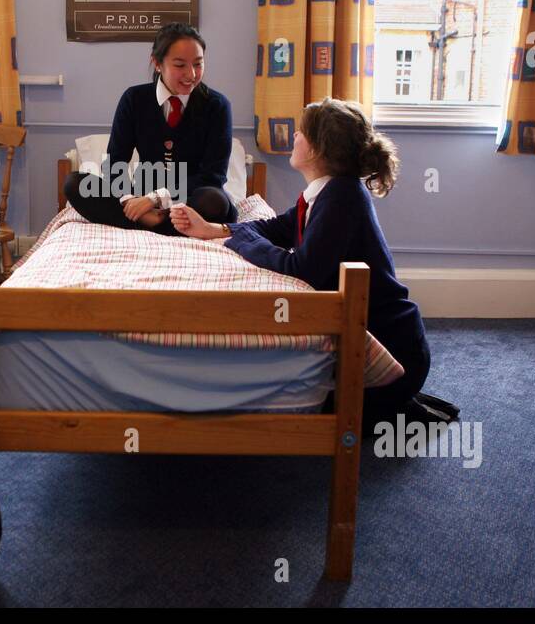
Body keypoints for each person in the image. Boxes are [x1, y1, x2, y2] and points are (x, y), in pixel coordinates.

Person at [170, 97, 457, 424]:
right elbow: (280, 226)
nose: (294, 137)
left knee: (293, 414)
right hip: (389, 342)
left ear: (320, 150)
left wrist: (244, 241)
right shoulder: (328, 191)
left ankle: (395, 401)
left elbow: (302, 269)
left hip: (392, 352)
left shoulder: (342, 197)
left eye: (301, 133)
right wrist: (215, 229)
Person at [63, 23, 237, 234]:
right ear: (157, 63)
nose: (191, 74)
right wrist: (130, 201)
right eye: (180, 65)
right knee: (75, 183)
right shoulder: (134, 99)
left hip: (192, 197)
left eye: (198, 64)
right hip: (142, 194)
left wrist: (156, 198)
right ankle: (150, 222)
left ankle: (147, 225)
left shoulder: (217, 106)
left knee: (214, 201)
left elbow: (213, 175)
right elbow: (116, 162)